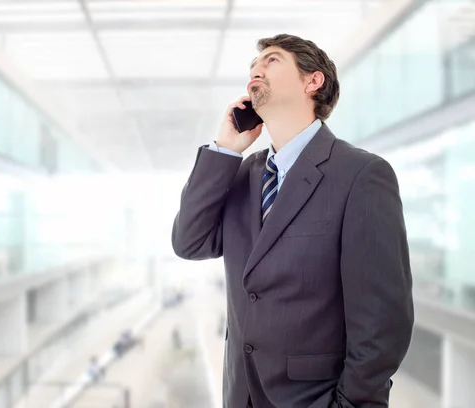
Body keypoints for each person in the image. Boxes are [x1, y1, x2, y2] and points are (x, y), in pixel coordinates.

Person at [171, 34, 414, 408]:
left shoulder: (362, 175)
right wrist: (224, 150)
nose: (256, 69)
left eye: (271, 60)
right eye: (253, 66)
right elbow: (189, 243)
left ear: (312, 81)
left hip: (315, 398)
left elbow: (382, 323)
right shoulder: (239, 176)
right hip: (242, 395)